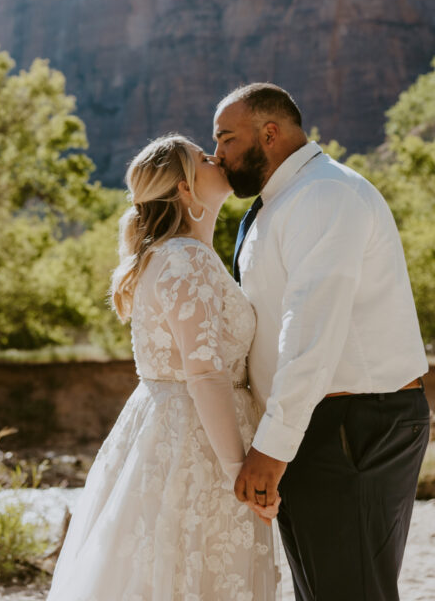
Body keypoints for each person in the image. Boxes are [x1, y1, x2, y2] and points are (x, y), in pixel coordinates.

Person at [213, 83, 430, 601]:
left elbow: (312, 328)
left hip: (351, 424)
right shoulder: (284, 201)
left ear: (270, 134)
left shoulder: (324, 196)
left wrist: (271, 446)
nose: (216, 154)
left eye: (225, 138)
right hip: (321, 424)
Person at [46, 134, 279, 601]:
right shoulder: (185, 258)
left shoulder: (179, 255)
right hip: (198, 442)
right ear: (184, 189)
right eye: (203, 158)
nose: (218, 159)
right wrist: (241, 472)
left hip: (172, 431)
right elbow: (206, 374)